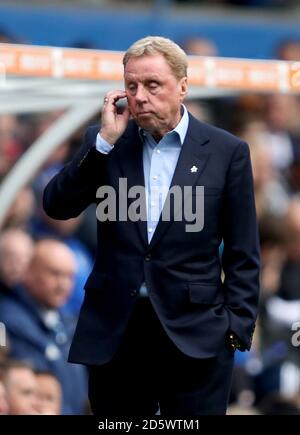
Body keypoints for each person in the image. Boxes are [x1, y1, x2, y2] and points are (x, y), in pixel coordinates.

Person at [43, 36, 260, 416]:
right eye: (131, 85)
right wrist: (103, 144)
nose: (139, 96)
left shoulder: (227, 152)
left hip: (196, 334)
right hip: (117, 332)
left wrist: (235, 328)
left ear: (183, 86)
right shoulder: (106, 142)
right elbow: (57, 206)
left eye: (152, 85)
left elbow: (244, 252)